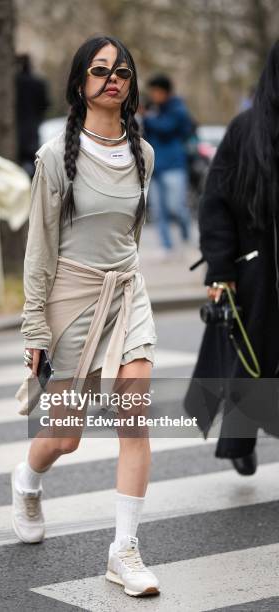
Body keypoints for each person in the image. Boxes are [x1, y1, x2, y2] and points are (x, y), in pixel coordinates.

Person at [12, 36, 160, 598]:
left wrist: (131, 284)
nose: (113, 79)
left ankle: (123, 551)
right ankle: (27, 480)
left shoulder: (143, 154)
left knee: (134, 417)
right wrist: (34, 329)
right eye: (100, 71)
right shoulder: (54, 157)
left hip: (127, 294)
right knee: (64, 438)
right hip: (71, 301)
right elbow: (39, 250)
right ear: (81, 84)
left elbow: (131, 238)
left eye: (122, 70)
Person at [184, 40, 279, 475]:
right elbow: (215, 201)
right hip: (257, 271)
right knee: (252, 364)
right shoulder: (246, 130)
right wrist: (221, 267)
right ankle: (240, 441)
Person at [143, 74, 193, 259]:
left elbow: (167, 128)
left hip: (174, 166)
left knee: (177, 206)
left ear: (165, 91)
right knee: (158, 209)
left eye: (155, 91)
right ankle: (166, 245)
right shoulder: (153, 110)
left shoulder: (178, 109)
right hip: (156, 167)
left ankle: (187, 238)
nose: (153, 95)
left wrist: (147, 118)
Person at [15, 54, 50, 177]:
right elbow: (45, 104)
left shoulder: (14, 83)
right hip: (32, 127)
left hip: (18, 127)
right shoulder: (38, 83)